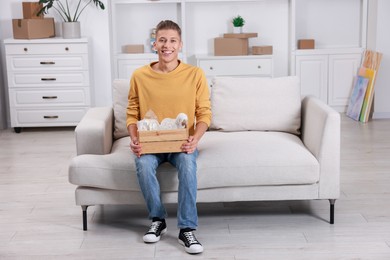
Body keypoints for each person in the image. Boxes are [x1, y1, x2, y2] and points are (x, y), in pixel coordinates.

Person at [126, 20, 212, 254]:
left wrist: (196, 138)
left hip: (182, 143)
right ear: (154, 44)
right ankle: (158, 219)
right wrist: (134, 139)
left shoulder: (195, 74)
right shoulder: (140, 76)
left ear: (180, 44)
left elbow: (204, 113)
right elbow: (132, 112)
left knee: (186, 163)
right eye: (162, 40)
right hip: (150, 143)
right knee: (143, 165)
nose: (167, 45)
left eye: (173, 40)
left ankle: (187, 229)